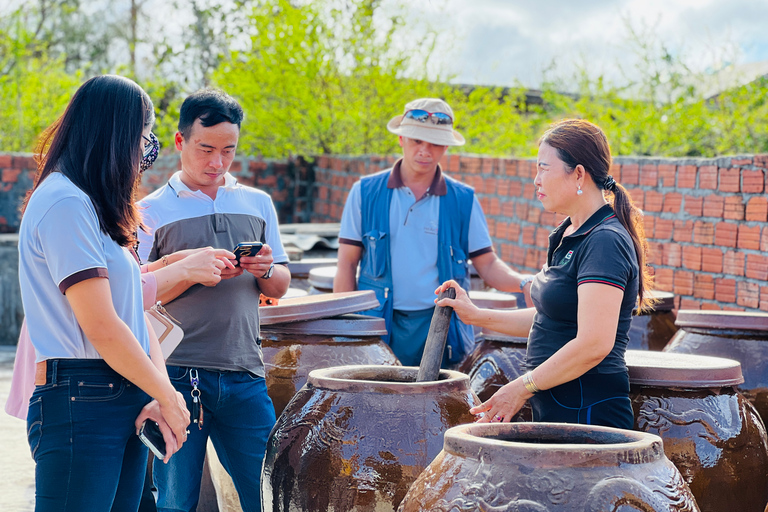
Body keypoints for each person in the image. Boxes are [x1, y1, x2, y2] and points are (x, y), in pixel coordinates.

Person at [17, 74, 190, 512]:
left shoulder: (93, 206)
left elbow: (130, 315)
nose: (145, 152)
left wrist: (157, 390)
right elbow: (102, 327)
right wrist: (169, 399)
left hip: (119, 391)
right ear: (116, 137)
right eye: (143, 138)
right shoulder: (64, 202)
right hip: (82, 396)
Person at [437, 118, 654, 429]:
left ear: (578, 173)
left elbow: (594, 343)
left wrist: (521, 388)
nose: (536, 180)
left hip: (588, 415)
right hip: (556, 409)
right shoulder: (568, 233)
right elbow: (550, 320)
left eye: (543, 168)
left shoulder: (605, 241)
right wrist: (475, 316)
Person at [137, 88, 290, 512]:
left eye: (229, 150)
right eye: (206, 149)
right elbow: (135, 295)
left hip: (245, 372)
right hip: (175, 377)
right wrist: (190, 274)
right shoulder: (148, 212)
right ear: (180, 142)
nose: (217, 162)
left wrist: (265, 271)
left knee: (268, 493)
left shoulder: (257, 203)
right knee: (174, 500)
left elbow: (280, 286)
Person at [334, 97, 534, 367]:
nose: (425, 151)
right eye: (417, 141)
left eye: (435, 144)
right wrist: (344, 332)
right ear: (401, 139)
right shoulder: (365, 192)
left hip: (442, 326)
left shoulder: (462, 199)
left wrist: (523, 283)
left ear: (446, 148)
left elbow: (487, 264)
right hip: (377, 325)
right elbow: (347, 264)